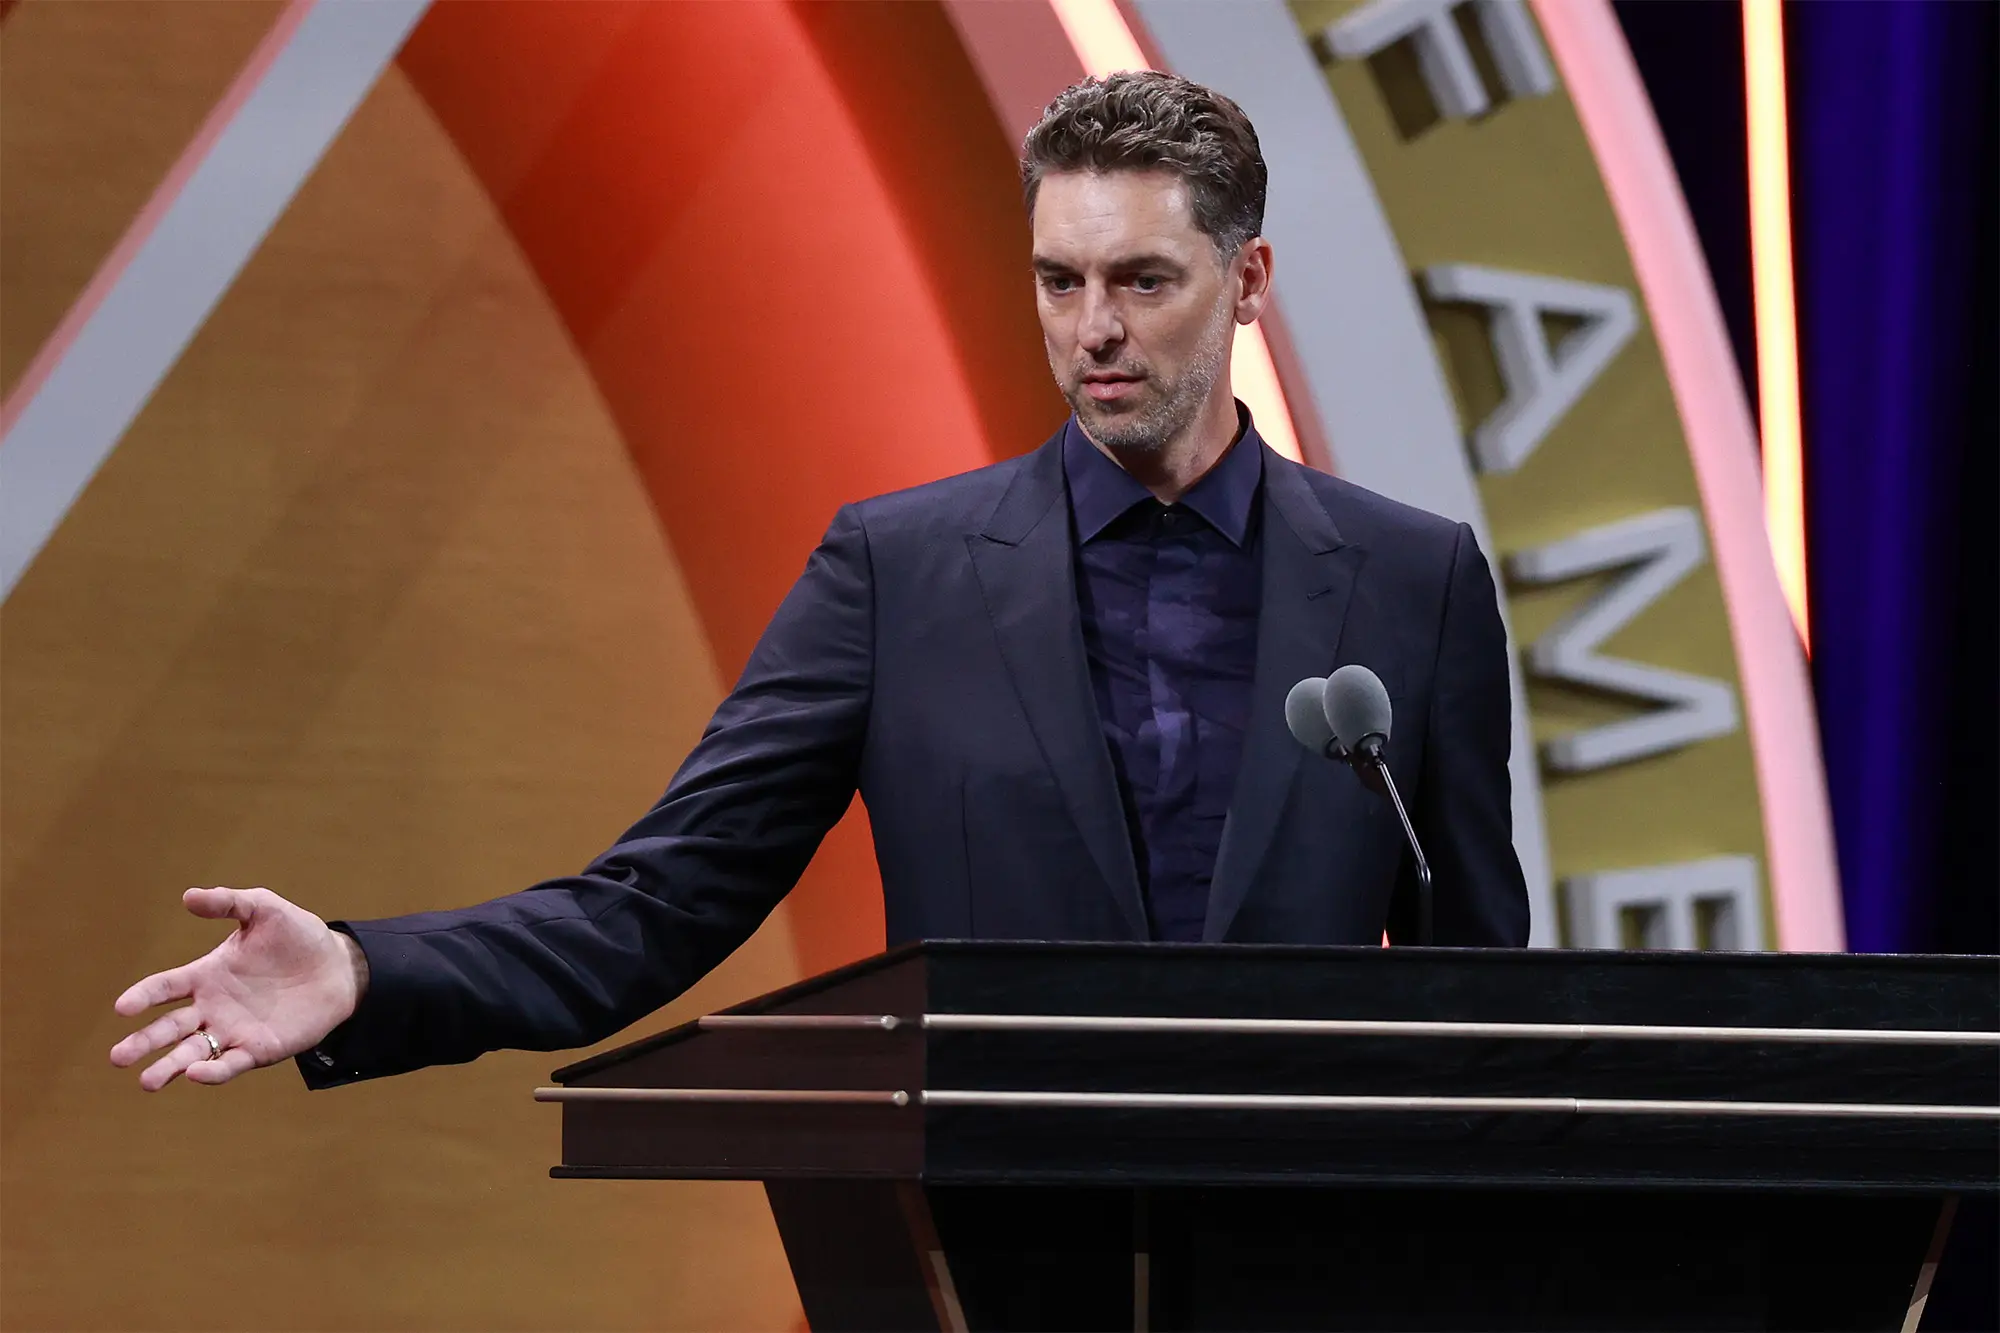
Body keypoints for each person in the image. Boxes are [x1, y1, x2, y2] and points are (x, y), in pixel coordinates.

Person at [111, 71, 1528, 1095]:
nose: (1093, 331)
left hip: (1311, 1259)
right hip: (985, 1252)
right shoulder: (896, 575)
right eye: (1057, 281)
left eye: (1143, 282)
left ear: (1250, 277)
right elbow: (651, 908)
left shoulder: (1413, 583)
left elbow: (1485, 999)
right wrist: (366, 971)